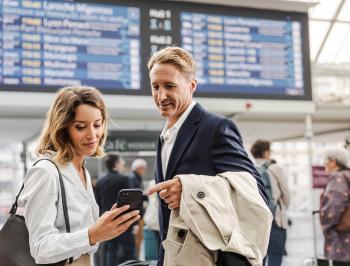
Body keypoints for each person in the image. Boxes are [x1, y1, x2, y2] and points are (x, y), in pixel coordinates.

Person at [145, 46, 267, 266]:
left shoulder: (216, 128)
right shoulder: (164, 137)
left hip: (215, 258)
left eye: (169, 86)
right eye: (155, 87)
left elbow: (255, 192)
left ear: (192, 86)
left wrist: (191, 188)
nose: (161, 95)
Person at [19, 86, 140, 265]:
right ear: (62, 128)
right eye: (81, 127)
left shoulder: (82, 171)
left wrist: (104, 228)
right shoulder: (46, 172)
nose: (93, 135)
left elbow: (84, 239)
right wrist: (93, 234)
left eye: (97, 125)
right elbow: (40, 247)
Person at [250, 139, 290, 266]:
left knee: (258, 258)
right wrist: (283, 207)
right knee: (275, 258)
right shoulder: (274, 167)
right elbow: (286, 193)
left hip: (256, 221)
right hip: (275, 219)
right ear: (266, 152)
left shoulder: (249, 168)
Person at [95, 154, 136, 266]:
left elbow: (97, 203)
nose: (123, 165)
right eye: (121, 162)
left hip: (106, 221)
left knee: (110, 252)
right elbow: (131, 202)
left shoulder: (100, 181)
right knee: (129, 253)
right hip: (123, 222)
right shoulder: (124, 179)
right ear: (116, 164)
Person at [320, 148, 350, 266]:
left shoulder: (337, 178)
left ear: (333, 161)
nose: (323, 163)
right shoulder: (347, 175)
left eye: (325, 160)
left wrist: (325, 224)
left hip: (342, 239)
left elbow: (334, 205)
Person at [129, 158, 148, 258]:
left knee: (139, 240)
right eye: (144, 168)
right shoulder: (133, 178)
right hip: (137, 215)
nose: (144, 170)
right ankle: (135, 259)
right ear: (139, 168)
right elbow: (135, 197)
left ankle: (136, 258)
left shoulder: (136, 178)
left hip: (138, 214)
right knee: (137, 240)